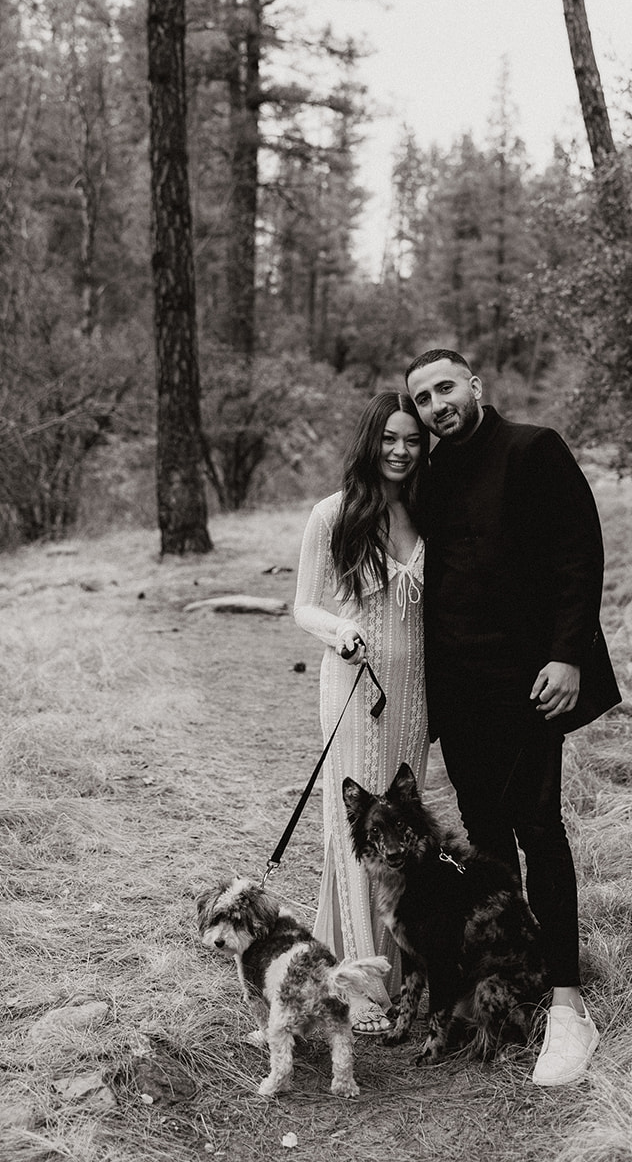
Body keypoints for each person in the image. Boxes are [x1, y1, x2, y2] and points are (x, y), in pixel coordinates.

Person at [404, 348, 621, 1086]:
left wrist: (568, 656)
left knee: (539, 830)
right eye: (423, 398)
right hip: (458, 694)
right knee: (485, 839)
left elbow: (577, 555)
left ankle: (567, 1005)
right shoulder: (428, 478)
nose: (436, 405)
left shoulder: (533, 449)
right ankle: (507, 981)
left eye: (445, 388)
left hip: (530, 684)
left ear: (475, 385)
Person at [293, 390, 430, 1034]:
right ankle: (362, 980)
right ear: (370, 442)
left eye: (412, 440)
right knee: (356, 828)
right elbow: (304, 605)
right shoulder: (335, 513)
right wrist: (338, 632)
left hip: (415, 693)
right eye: (390, 439)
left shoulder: (429, 510)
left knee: (402, 828)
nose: (400, 451)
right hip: (355, 685)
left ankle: (403, 972)